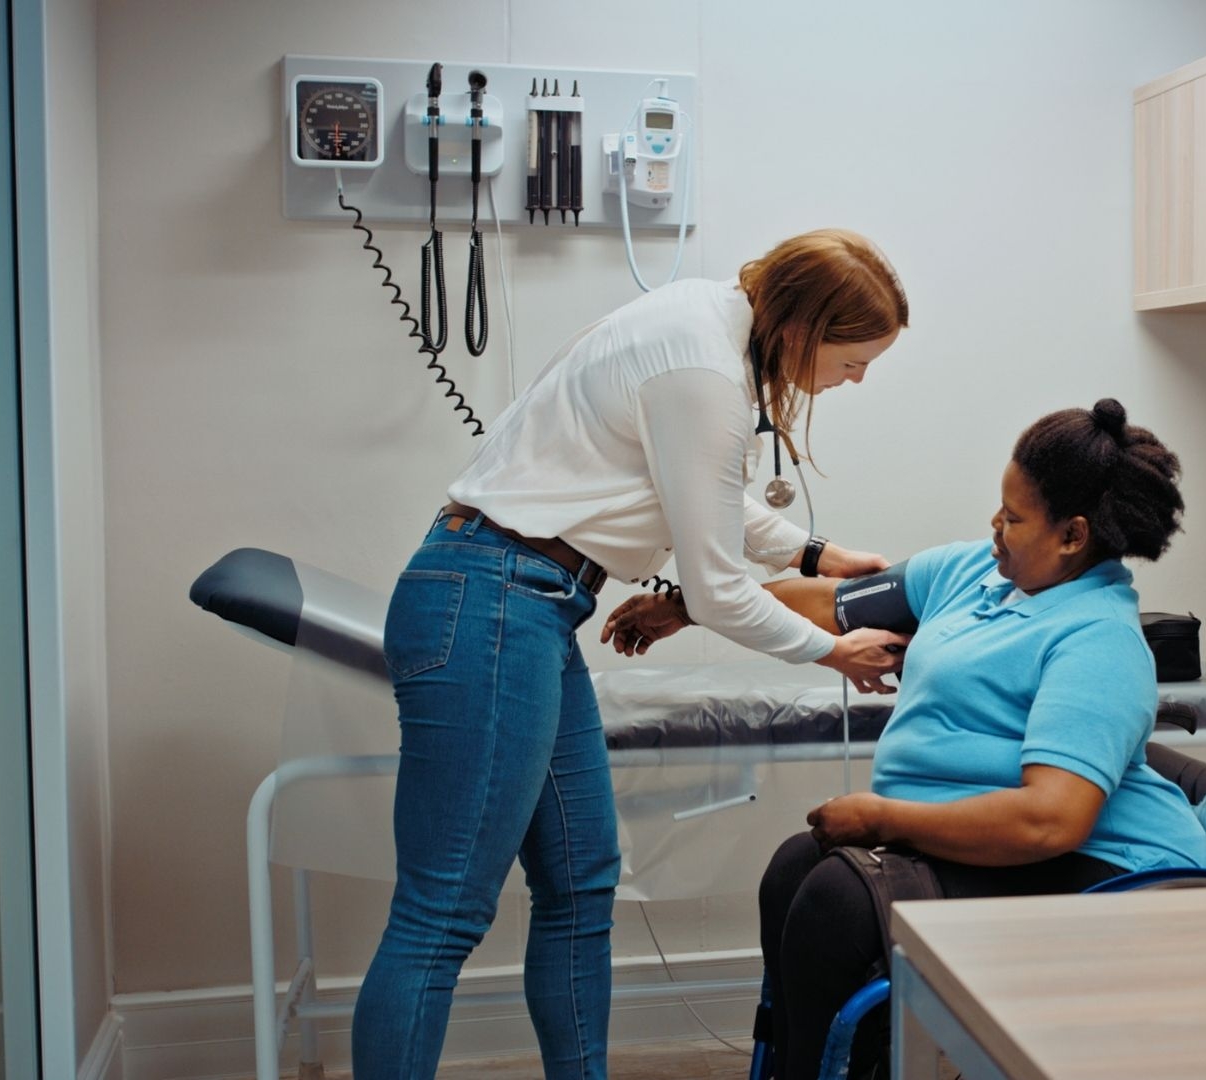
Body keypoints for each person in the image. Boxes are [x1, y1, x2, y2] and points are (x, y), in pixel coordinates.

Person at [352, 230, 913, 1080]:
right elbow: (719, 589)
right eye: (854, 359)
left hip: (524, 606)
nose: (857, 379)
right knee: (444, 911)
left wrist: (817, 555)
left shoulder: (701, 322)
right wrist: (834, 650)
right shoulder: (705, 374)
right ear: (802, 328)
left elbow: (698, 489)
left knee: (581, 885)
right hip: (491, 603)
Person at [602, 398, 1206, 1080]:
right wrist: (690, 606)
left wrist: (885, 818)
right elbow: (827, 603)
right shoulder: (974, 573)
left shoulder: (1098, 638)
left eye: (1013, 519)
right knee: (796, 867)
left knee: (838, 898)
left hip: (1106, 872)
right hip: (1001, 842)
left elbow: (1051, 821)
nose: (994, 527)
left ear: (1072, 536)